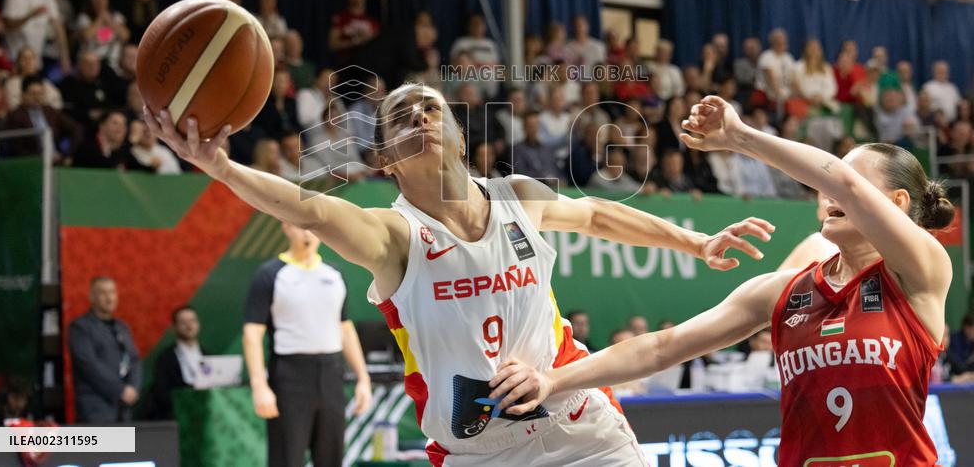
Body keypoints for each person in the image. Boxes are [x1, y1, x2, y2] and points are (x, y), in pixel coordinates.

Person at [144, 82, 771, 466]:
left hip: (580, 426)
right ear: (387, 160)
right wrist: (222, 168)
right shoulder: (392, 238)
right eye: (401, 117)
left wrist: (697, 240)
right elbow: (304, 205)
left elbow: (602, 215)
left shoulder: (517, 197)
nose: (419, 116)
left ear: (458, 136)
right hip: (478, 452)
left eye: (430, 108)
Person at [490, 95, 954, 466]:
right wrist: (552, 380)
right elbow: (661, 348)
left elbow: (846, 186)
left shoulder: (919, 272)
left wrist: (741, 137)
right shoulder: (782, 292)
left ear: (895, 204)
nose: (830, 188)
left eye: (846, 178)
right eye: (826, 181)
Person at [243, 223, 373, 467]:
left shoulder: (333, 274)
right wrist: (259, 385)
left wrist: (363, 378)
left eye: (312, 228)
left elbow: (344, 327)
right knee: (287, 457)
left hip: (331, 373)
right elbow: (252, 333)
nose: (307, 234)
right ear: (286, 227)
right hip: (290, 375)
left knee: (331, 455)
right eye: (301, 227)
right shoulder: (271, 274)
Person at [68, 277, 141, 422]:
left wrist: (133, 388)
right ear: (92, 297)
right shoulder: (80, 327)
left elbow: (134, 360)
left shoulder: (122, 327)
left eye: (112, 292)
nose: (109, 298)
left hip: (123, 409)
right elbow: (88, 364)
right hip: (96, 408)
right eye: (103, 293)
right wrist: (120, 390)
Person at [1, 0, 70, 75]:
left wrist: (65, 58)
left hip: (35, 61)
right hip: (14, 58)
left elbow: (59, 30)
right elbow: (8, 24)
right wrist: (30, 15)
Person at [2, 76, 82, 160]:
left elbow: (76, 128)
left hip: (57, 161)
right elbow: (16, 148)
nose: (37, 98)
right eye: (33, 94)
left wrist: (68, 154)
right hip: (32, 164)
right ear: (23, 95)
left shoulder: (50, 111)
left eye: (40, 93)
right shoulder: (15, 116)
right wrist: (40, 158)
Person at [149, 306, 204, 419]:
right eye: (183, 322)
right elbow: (161, 392)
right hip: (176, 416)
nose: (189, 326)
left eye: (192, 321)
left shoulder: (207, 356)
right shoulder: (166, 358)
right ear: (174, 327)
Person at [75, 0, 130, 67]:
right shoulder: (84, 18)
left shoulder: (116, 17)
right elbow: (86, 35)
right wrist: (100, 19)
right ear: (91, 0)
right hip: (92, 62)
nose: (99, 2)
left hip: (112, 62)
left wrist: (110, 21)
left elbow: (125, 36)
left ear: (107, 0)